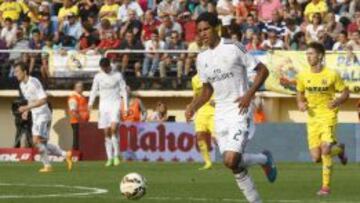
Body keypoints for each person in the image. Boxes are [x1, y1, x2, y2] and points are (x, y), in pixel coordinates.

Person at [185, 12, 276, 203]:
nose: (203, 34)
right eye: (199, 31)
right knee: (233, 164)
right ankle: (263, 161)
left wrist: (248, 95)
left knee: (231, 159)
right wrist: (193, 106)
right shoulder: (201, 58)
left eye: (206, 29)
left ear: (216, 27)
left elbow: (263, 70)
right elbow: (207, 90)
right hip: (220, 114)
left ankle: (263, 160)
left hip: (239, 110)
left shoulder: (233, 47)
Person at [296, 42, 349, 196]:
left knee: (325, 150)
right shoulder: (303, 75)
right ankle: (340, 149)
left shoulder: (332, 74)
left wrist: (337, 101)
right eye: (307, 54)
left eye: (311, 54)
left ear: (320, 56)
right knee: (316, 158)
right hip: (312, 119)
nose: (308, 57)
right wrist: (300, 103)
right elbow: (299, 93)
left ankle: (325, 187)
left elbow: (345, 93)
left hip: (328, 116)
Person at [14, 62, 72, 173]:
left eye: (17, 71)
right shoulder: (22, 85)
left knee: (36, 141)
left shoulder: (34, 82)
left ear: (24, 72)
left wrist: (27, 107)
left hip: (43, 115)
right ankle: (65, 154)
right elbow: (32, 100)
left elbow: (43, 99)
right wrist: (27, 110)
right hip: (36, 115)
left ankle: (48, 166)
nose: (15, 74)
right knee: (41, 143)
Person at [88, 58, 128, 167]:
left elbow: (124, 91)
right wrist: (90, 103)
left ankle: (116, 155)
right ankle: (109, 158)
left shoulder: (117, 75)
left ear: (108, 66)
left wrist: (126, 107)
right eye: (102, 68)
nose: (103, 69)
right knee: (106, 132)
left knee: (114, 129)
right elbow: (94, 90)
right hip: (103, 106)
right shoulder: (98, 77)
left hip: (115, 104)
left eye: (105, 67)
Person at [191, 73, 215, 170]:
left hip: (214, 110)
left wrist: (218, 100)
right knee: (199, 135)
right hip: (201, 110)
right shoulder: (194, 79)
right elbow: (196, 96)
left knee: (217, 138)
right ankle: (208, 162)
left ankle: (235, 157)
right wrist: (191, 108)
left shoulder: (213, 73)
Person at [68, 81, 89, 151]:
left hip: (83, 122)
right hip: (76, 122)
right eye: (79, 87)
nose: (81, 88)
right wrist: (81, 120)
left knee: (81, 140)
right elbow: (73, 112)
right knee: (76, 139)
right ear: (75, 88)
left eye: (81, 86)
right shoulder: (73, 97)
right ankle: (75, 154)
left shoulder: (82, 97)